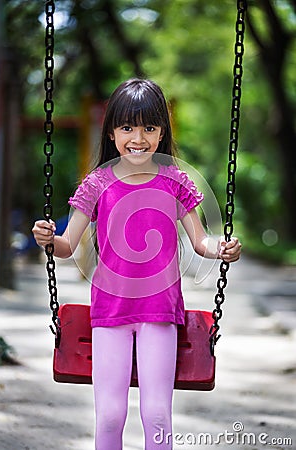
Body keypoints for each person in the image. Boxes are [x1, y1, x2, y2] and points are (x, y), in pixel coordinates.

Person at [32, 78, 241, 450]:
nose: (138, 137)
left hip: (159, 312)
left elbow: (200, 241)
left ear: (162, 132)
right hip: (110, 312)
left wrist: (221, 248)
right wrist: (50, 240)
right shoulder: (97, 183)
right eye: (127, 127)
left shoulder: (176, 181)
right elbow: (67, 246)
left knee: (157, 414)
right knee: (110, 415)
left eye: (149, 127)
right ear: (111, 133)